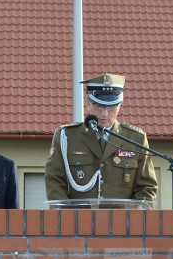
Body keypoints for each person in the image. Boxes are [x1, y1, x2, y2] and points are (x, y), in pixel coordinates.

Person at [44, 74, 158, 202]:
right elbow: (54, 181)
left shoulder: (136, 139)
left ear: (119, 105)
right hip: (78, 219)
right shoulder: (66, 137)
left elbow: (147, 188)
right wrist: (68, 217)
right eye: (99, 106)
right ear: (88, 103)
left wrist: (133, 217)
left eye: (111, 106)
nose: (104, 113)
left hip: (122, 220)